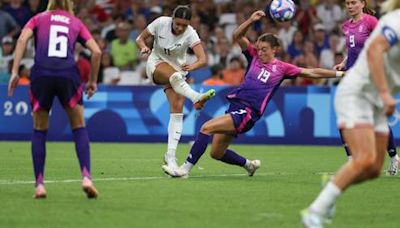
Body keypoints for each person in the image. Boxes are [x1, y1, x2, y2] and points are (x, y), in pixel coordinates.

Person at [162, 10, 344, 178]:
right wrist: (250, 20)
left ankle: (183, 170)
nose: (260, 52)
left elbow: (311, 72)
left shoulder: (282, 68)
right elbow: (237, 36)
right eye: (258, 48)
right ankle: (249, 165)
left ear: (275, 50)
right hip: (235, 107)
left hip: (248, 113)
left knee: (206, 128)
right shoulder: (253, 57)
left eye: (264, 49)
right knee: (216, 153)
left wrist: (338, 73)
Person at [302, 1, 400, 227]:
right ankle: (314, 214)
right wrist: (385, 93)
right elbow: (374, 50)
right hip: (358, 91)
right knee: (363, 158)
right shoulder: (395, 21)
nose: (349, 5)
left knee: (374, 168)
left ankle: (333, 184)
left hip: (374, 94)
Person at [7, 0, 102, 199]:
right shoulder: (75, 22)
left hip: (41, 75)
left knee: (40, 128)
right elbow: (96, 52)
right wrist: (92, 80)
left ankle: (40, 185)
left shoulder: (38, 18)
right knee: (79, 126)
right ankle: (86, 178)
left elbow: (22, 40)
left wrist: (15, 71)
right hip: (68, 74)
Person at [136, 5, 216, 169]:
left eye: (184, 25)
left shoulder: (191, 33)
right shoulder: (160, 23)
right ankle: (195, 97)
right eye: (177, 23)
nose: (180, 28)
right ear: (172, 19)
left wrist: (191, 67)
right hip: (156, 64)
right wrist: (144, 47)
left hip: (178, 70)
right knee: (175, 76)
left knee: (177, 111)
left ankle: (170, 156)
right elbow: (140, 38)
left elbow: (203, 59)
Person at [333, 0, 399, 175]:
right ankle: (352, 159)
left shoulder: (371, 22)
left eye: (353, 2)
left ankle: (393, 156)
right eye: (347, 3)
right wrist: (343, 62)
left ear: (362, 4)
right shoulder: (346, 26)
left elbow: (382, 45)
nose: (349, 6)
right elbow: (352, 49)